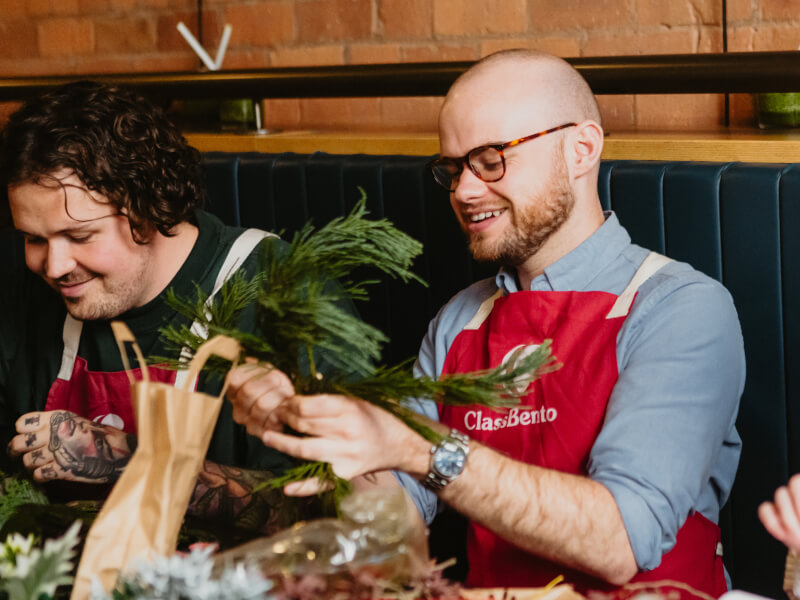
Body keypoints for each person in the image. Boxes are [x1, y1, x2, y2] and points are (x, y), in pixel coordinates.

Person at [225, 50, 746, 596]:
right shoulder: (458, 320)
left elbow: (619, 541)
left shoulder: (680, 307)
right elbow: (395, 523)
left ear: (582, 149)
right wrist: (310, 417)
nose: (464, 192)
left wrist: (421, 448)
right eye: (452, 170)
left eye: (492, 160)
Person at [0, 81, 318, 534]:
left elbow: (318, 506)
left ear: (148, 208)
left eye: (80, 236)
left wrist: (128, 460)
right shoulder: (24, 300)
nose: (54, 266)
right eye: (34, 238)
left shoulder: (278, 287)